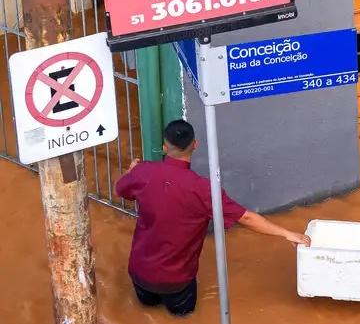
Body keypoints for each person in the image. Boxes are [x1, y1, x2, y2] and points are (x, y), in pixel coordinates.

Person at [114, 120, 309, 317]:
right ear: (195, 145)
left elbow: (120, 189)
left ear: (165, 147)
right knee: (183, 316)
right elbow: (247, 218)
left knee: (145, 312)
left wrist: (131, 171)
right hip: (177, 282)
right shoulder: (204, 190)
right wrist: (287, 233)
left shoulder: (143, 172)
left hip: (140, 275)